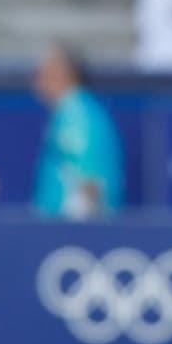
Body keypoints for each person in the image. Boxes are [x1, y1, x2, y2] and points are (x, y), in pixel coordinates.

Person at [32, 44, 124, 220]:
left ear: (64, 74)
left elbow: (90, 181)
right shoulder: (72, 112)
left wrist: (72, 232)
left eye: (44, 73)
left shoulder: (76, 115)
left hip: (67, 233)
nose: (37, 81)